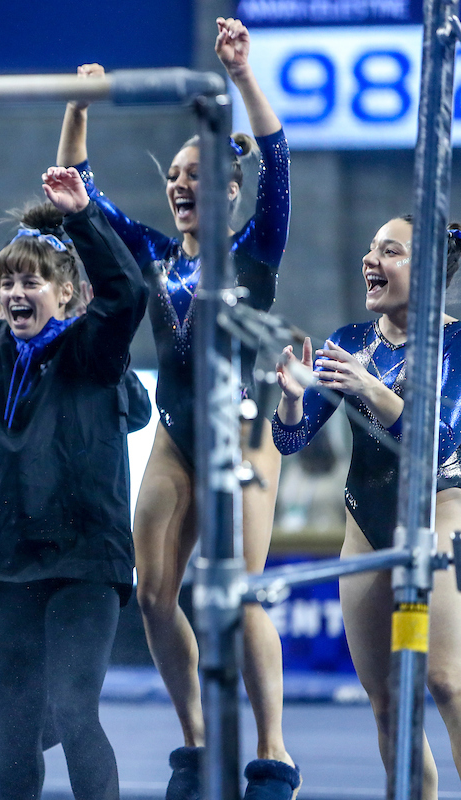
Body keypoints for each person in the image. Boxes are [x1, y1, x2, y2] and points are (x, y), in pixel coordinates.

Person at [57, 18, 297, 795]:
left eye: (196, 175)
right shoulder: (156, 256)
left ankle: (273, 754)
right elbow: (80, 188)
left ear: (229, 190)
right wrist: (79, 107)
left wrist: (242, 75)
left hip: (243, 432)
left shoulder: (256, 249)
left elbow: (278, 158)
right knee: (155, 594)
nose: (180, 185)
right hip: (173, 434)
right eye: (173, 177)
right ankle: (196, 742)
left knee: (240, 593)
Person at [0, 168, 148, 799]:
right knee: (13, 731)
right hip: (2, 565)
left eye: (32, 282)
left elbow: (127, 292)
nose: (17, 292)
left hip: (83, 563)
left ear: (67, 293)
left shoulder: (93, 353)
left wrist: (82, 216)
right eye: (7, 282)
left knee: (73, 711)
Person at [274, 216, 461, 800]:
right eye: (371, 247)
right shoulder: (351, 341)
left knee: (447, 683)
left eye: (390, 250)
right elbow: (290, 441)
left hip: (440, 511)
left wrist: (371, 389)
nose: (370, 259)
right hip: (367, 525)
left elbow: (439, 446)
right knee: (387, 702)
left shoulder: (456, 344)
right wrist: (291, 401)